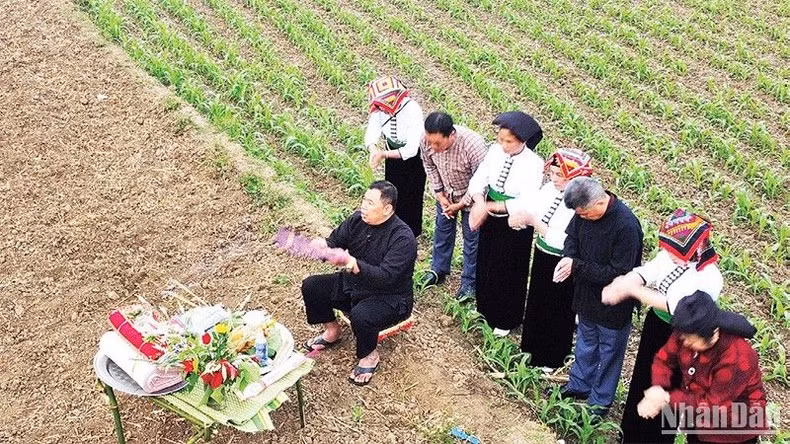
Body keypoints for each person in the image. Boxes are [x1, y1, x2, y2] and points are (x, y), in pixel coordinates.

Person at [603, 209, 723, 443]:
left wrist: (631, 290)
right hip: (656, 328)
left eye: (676, 253)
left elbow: (674, 305)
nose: (670, 255)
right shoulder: (670, 256)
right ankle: (630, 434)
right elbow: (649, 271)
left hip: (683, 338)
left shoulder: (709, 277)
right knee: (643, 379)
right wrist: (629, 280)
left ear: (697, 248)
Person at [300, 181, 417, 386]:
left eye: (370, 203)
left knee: (361, 315)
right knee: (312, 286)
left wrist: (354, 264)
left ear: (387, 209)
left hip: (390, 297)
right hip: (354, 285)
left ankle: (369, 355)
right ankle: (332, 331)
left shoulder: (403, 238)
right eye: (364, 200)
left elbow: (386, 277)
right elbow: (334, 240)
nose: (363, 206)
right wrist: (323, 246)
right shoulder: (357, 220)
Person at [552, 176, 643, 418]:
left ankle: (600, 401)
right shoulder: (582, 211)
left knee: (610, 352)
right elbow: (571, 238)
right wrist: (568, 258)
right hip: (585, 294)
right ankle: (579, 384)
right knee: (585, 340)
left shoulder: (626, 226)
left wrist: (576, 266)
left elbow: (619, 272)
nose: (580, 218)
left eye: (583, 214)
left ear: (599, 203)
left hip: (613, 301)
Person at [638, 291, 769, 443]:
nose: (685, 344)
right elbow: (664, 359)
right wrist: (658, 387)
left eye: (692, 342)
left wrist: (666, 398)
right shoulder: (688, 330)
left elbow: (713, 405)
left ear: (712, 334)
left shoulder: (738, 357)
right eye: (683, 338)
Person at [509, 148, 593, 369]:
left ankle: (551, 357)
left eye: (561, 176)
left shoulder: (581, 204)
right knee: (537, 300)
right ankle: (530, 349)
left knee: (558, 308)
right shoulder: (548, 189)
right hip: (542, 253)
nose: (554, 179)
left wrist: (536, 223)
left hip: (562, 260)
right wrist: (521, 217)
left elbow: (566, 239)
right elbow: (533, 208)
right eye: (553, 174)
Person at [465, 111, 545, 337]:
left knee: (509, 269)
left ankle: (506, 317)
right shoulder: (494, 151)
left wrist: (489, 207)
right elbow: (479, 179)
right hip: (490, 215)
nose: (503, 145)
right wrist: (480, 201)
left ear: (523, 141)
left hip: (514, 221)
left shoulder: (534, 164)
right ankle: (484, 307)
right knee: (486, 261)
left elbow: (526, 200)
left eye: (508, 141)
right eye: (501, 139)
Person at [417, 112, 488, 300]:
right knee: (442, 231)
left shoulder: (473, 146)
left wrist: (461, 204)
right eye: (429, 142)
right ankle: (438, 270)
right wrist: (439, 193)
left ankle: (469, 283)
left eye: (438, 143)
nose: (432, 147)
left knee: (472, 240)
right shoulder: (426, 140)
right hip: (446, 196)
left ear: (452, 135)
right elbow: (429, 165)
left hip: (471, 199)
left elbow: (481, 181)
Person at [364, 76, 426, 238]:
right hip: (392, 155)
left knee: (412, 196)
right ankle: (391, 232)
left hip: (414, 160)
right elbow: (372, 132)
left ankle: (411, 237)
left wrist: (382, 154)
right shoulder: (380, 110)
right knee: (392, 194)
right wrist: (373, 150)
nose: (381, 110)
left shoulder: (413, 110)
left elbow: (411, 149)